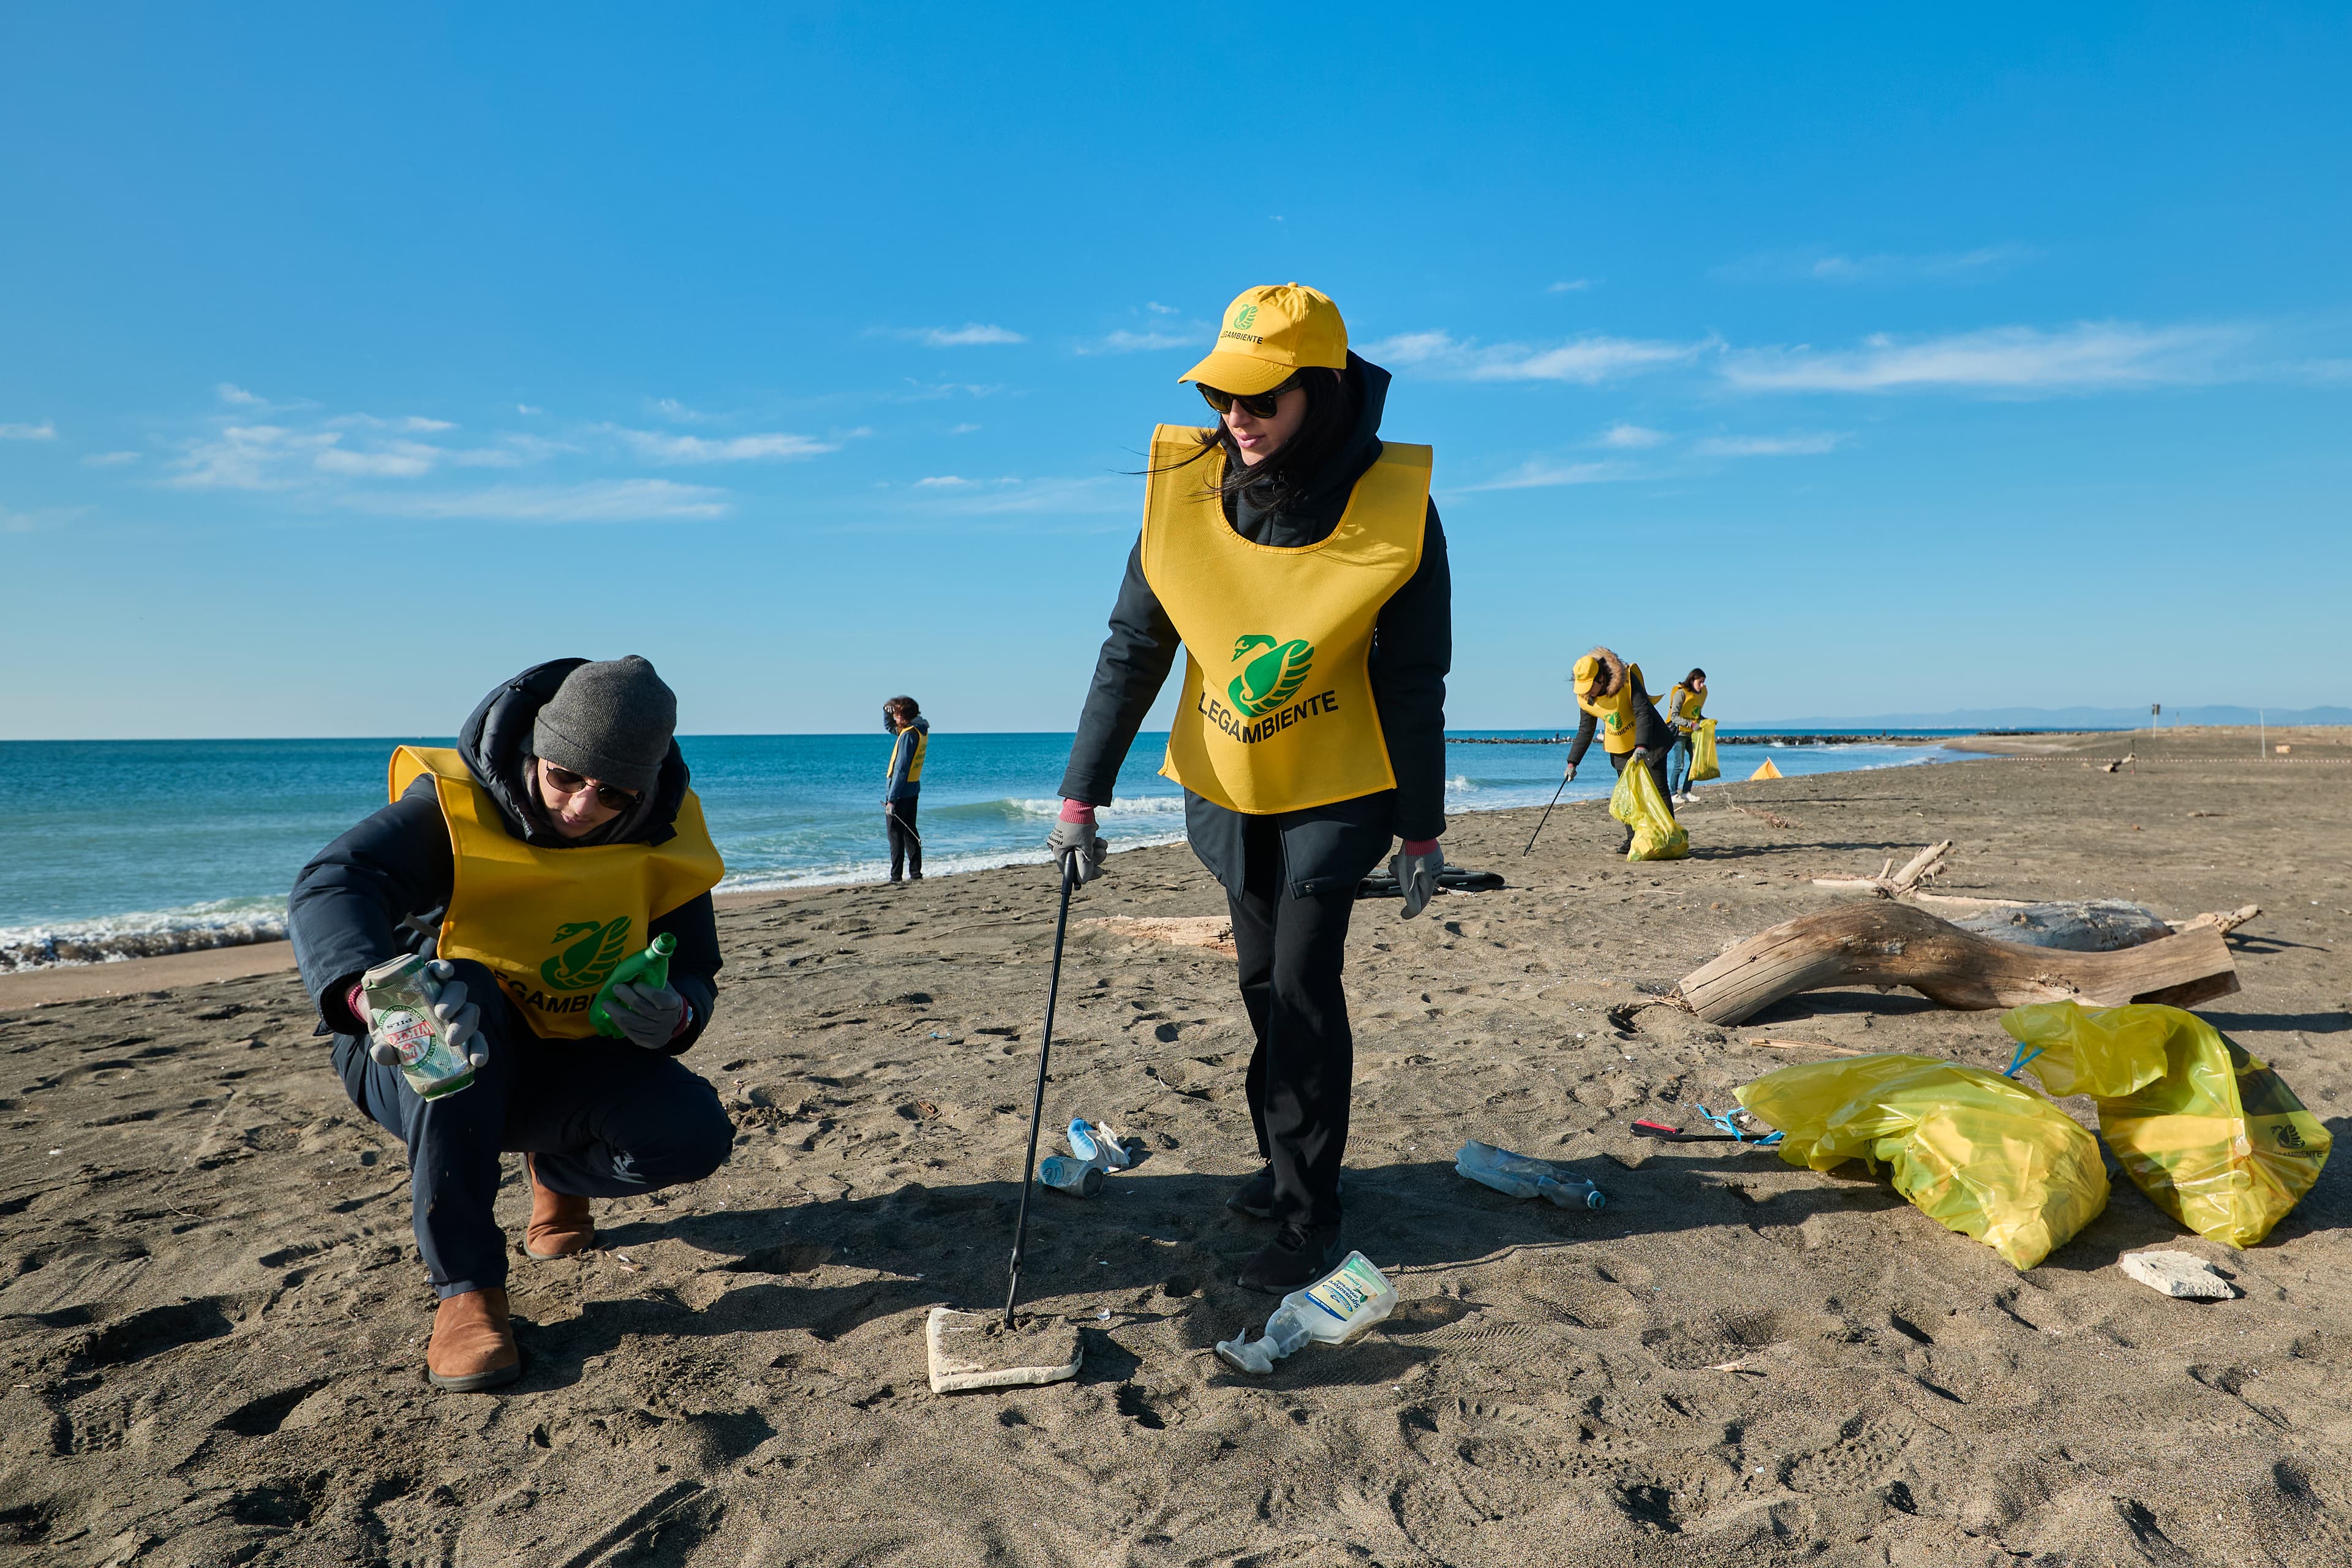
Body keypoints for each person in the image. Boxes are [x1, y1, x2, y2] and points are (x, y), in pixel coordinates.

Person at [1044, 283, 1452, 1294]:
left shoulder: (1397, 507)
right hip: (1230, 781)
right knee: (1264, 986)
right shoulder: (1185, 488)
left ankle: (1312, 1216)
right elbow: (1134, 647)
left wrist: (1420, 830)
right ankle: (1285, 1171)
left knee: (1307, 987)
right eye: (1225, 395)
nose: (1239, 418)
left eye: (1262, 399)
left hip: (1343, 782)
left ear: (1321, 391)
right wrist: (1078, 796)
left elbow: (1413, 680)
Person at [288, 656, 733, 1392]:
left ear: (646, 789)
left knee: (694, 1134)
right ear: (533, 749)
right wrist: (378, 1001)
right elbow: (333, 885)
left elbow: (694, 967)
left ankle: (556, 1171)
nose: (582, 808)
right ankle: (466, 1293)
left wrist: (677, 1013)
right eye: (564, 777)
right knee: (454, 990)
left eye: (613, 794)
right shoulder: (450, 806)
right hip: (422, 1058)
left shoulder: (662, 830)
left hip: (566, 1062)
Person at [1561, 646, 1675, 854]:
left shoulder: (1627, 680)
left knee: (1660, 790)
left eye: (1590, 686)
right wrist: (1572, 762)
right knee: (1629, 795)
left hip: (1651, 740)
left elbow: (1643, 713)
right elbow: (1586, 730)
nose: (1587, 692)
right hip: (1620, 746)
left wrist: (1641, 745)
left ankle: (1668, 836)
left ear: (1601, 678)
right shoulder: (1587, 698)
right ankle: (1633, 840)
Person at [881, 696, 929, 883]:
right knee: (910, 832)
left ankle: (896, 877)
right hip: (912, 791)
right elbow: (891, 727)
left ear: (907, 715)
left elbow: (901, 770)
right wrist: (887, 712)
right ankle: (915, 874)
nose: (895, 717)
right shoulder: (919, 729)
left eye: (898, 713)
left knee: (896, 836)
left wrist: (892, 799)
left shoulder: (909, 735)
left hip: (901, 793)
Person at [1664, 668, 1708, 802]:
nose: (1702, 685)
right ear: (1692, 680)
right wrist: (1691, 724)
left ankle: (1686, 792)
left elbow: (1696, 714)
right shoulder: (1681, 694)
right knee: (1679, 765)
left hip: (1692, 734)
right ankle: (1673, 793)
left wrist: (1706, 721)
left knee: (1695, 763)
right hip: (1679, 733)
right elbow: (1674, 717)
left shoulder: (1701, 695)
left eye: (1703, 683)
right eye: (1700, 682)